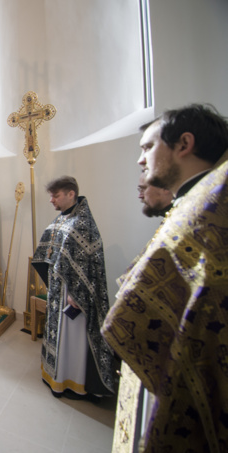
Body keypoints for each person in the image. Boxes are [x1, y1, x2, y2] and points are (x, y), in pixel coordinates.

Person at [102, 104, 228, 452]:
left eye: (148, 147)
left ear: (183, 144)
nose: (141, 161)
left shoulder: (210, 205)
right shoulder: (193, 202)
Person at [31, 176, 116, 400]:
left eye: (55, 196)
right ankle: (55, 376)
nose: (51, 200)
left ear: (71, 194)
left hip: (75, 297)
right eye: (51, 195)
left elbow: (86, 265)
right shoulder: (64, 219)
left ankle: (73, 381)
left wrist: (75, 293)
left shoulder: (82, 222)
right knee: (58, 335)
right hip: (59, 291)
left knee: (72, 339)